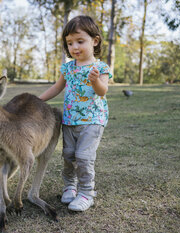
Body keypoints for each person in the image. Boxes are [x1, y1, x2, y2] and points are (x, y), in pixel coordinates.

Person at [39, 15, 112, 211]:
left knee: (84, 157)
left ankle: (86, 193)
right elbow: (56, 88)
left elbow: (102, 91)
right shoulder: (68, 67)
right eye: (70, 43)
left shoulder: (100, 67)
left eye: (80, 41)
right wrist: (38, 100)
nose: (74, 47)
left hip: (92, 121)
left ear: (94, 41)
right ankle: (70, 187)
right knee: (69, 155)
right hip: (70, 120)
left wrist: (95, 80)